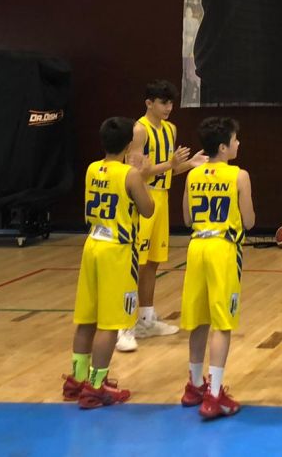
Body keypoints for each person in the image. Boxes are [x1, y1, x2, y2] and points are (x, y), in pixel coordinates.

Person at [63, 117, 153, 409]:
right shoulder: (130, 175)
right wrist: (143, 176)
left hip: (92, 244)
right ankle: (96, 386)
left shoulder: (92, 168)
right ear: (129, 145)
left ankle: (77, 379)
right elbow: (148, 209)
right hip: (117, 249)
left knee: (86, 318)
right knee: (110, 323)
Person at [179, 117, 255, 419]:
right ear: (223, 147)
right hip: (223, 249)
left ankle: (194, 385)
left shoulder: (192, 174)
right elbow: (249, 221)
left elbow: (186, 219)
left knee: (199, 320)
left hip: (196, 247)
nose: (238, 143)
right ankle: (214, 394)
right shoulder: (239, 175)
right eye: (235, 140)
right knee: (222, 323)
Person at [118, 80, 199, 353]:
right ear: (149, 103)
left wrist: (189, 164)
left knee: (153, 262)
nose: (168, 107)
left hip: (162, 197)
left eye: (171, 102)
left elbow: (170, 170)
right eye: (163, 102)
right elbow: (136, 173)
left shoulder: (170, 129)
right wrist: (170, 163)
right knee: (135, 264)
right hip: (142, 197)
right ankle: (123, 325)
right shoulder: (139, 130)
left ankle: (146, 319)